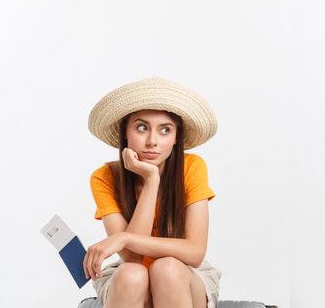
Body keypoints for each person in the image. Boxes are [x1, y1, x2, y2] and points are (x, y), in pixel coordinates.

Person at [84, 77, 223, 308]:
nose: (152, 142)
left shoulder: (192, 167)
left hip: (183, 273)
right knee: (132, 274)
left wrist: (125, 237)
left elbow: (195, 252)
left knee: (166, 269)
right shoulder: (104, 176)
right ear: (125, 132)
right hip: (127, 276)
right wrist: (151, 181)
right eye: (141, 127)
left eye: (165, 130)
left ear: (176, 137)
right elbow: (132, 258)